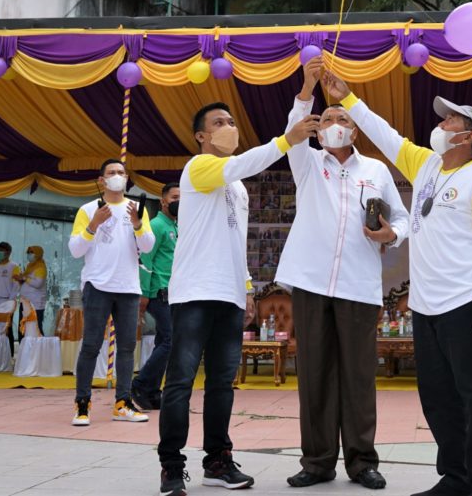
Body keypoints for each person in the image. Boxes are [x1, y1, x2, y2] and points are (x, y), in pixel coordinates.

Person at [322, 71, 472, 496]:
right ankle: (456, 476)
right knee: (438, 396)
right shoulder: (425, 164)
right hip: (425, 306)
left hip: (467, 301)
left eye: (449, 123)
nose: (439, 126)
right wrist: (348, 98)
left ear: (467, 138)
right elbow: (383, 133)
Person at [157, 102, 318, 496]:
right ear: (201, 136)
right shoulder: (199, 168)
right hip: (195, 291)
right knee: (179, 382)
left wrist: (246, 288)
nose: (228, 127)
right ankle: (171, 467)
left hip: (228, 295)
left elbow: (236, 241)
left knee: (222, 384)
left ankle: (217, 461)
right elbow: (243, 163)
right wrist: (286, 140)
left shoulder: (239, 187)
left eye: (231, 122)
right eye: (218, 123)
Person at [278, 57, 409, 490]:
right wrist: (307, 88)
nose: (335, 122)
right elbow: (294, 128)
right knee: (314, 372)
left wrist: (391, 234)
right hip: (312, 280)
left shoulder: (375, 171)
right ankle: (316, 462)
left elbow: (403, 219)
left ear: (354, 130)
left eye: (342, 118)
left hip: (358, 283)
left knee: (357, 374)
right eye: (328, 117)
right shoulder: (308, 162)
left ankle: (362, 461)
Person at [68, 159, 155, 426]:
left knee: (127, 347)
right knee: (91, 345)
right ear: (101, 180)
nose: (117, 176)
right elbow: (75, 250)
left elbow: (148, 246)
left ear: (127, 178)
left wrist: (138, 223)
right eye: (111, 173)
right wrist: (93, 225)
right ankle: (82, 404)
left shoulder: (136, 208)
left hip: (128, 286)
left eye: (121, 173)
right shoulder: (88, 209)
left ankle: (123, 402)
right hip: (97, 285)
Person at [132, 181, 179, 410]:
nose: (178, 202)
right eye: (173, 197)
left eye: (181, 198)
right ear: (163, 200)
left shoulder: (176, 226)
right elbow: (146, 260)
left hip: (172, 292)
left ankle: (151, 391)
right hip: (157, 290)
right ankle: (140, 384)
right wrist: (144, 294)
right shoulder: (158, 225)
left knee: (164, 340)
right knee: (170, 341)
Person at [14, 245, 48, 337]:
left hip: (35, 304)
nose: (29, 255)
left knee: (36, 328)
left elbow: (38, 284)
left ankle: (39, 349)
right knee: (23, 326)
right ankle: (23, 349)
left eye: (31, 252)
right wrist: (20, 279)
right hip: (25, 302)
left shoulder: (41, 268)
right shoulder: (29, 266)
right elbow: (27, 281)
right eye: (28, 252)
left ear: (38, 254)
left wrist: (24, 278)